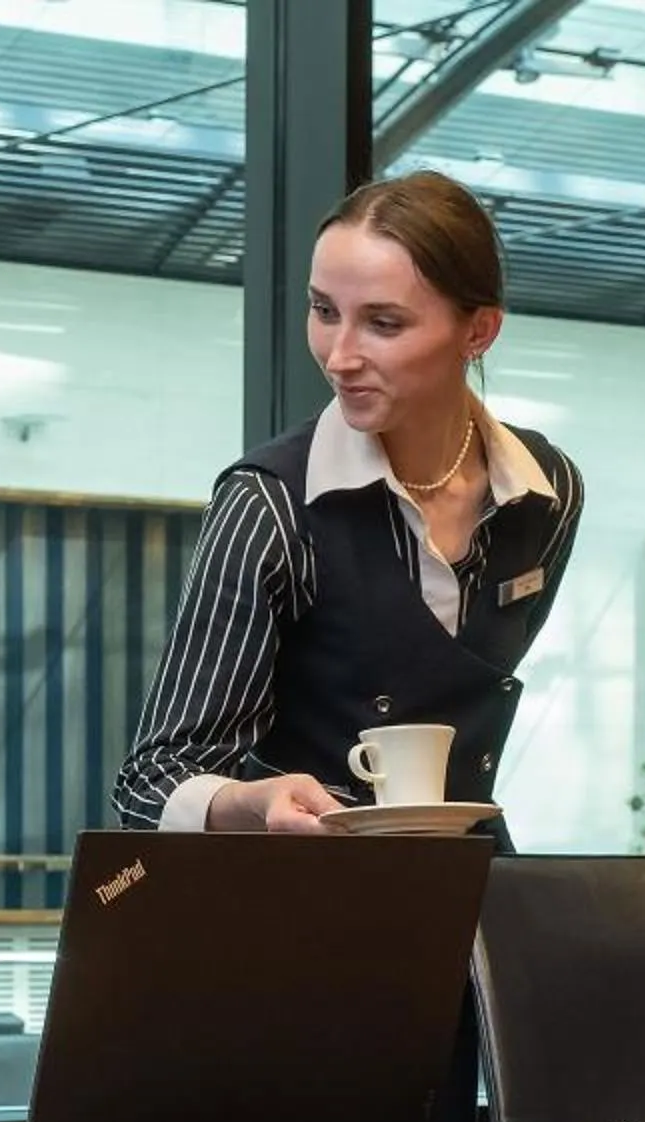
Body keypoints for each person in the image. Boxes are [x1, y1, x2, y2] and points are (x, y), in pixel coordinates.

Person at [112, 170, 586, 837]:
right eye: (323, 311)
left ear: (479, 331)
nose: (338, 357)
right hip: (303, 901)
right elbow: (151, 778)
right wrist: (250, 803)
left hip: (472, 894)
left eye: (382, 324)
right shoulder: (270, 505)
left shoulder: (550, 492)